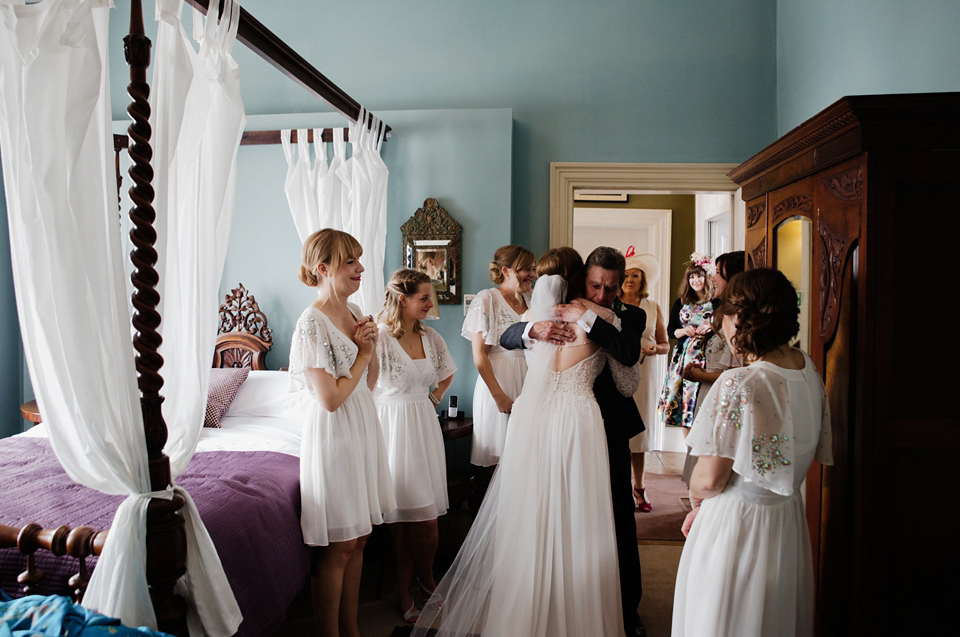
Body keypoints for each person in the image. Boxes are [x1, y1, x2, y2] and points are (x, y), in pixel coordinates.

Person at [413, 271, 639, 637]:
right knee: (576, 517)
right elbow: (627, 384)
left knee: (534, 513)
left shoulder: (534, 318)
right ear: (583, 285)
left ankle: (530, 611)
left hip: (535, 420)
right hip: (578, 420)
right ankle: (574, 612)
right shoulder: (589, 321)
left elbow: (505, 340)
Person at [672, 268, 834, 637]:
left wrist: (697, 501)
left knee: (724, 619)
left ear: (738, 318)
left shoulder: (740, 381)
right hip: (785, 522)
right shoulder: (808, 368)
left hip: (736, 527)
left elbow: (709, 478)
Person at [500, 246, 647, 637]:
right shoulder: (546, 313)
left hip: (604, 430)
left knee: (613, 519)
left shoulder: (627, 316)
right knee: (546, 512)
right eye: (595, 285)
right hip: (551, 424)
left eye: (611, 289)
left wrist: (589, 316)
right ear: (583, 279)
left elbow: (629, 362)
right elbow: (508, 335)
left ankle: (625, 609)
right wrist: (535, 328)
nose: (602, 295)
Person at [288, 228, 396, 637]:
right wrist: (365, 352)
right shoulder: (311, 321)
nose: (360, 268)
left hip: (362, 425)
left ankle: (351, 631)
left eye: (358, 261)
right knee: (340, 545)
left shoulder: (354, 313)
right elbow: (330, 398)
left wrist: (372, 348)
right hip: (334, 432)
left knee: (361, 537)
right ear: (323, 268)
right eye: (351, 262)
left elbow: (367, 384)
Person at [373, 269, 456, 624]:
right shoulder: (378, 339)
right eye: (424, 297)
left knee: (425, 521)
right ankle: (407, 588)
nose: (430, 303)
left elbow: (447, 371)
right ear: (403, 299)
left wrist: (434, 397)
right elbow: (365, 383)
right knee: (403, 521)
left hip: (422, 424)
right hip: (391, 427)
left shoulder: (432, 337)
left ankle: (424, 578)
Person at [461, 245, 536, 469]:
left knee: (527, 456)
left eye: (533, 269)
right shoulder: (487, 299)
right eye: (526, 269)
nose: (532, 274)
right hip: (499, 382)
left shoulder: (533, 300)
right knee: (500, 456)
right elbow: (480, 354)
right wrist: (499, 396)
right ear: (506, 271)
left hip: (530, 380)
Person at [680, 251, 749, 485]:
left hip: (721, 395)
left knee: (713, 473)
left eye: (718, 273)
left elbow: (737, 372)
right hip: (709, 393)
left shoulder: (736, 318)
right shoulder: (721, 311)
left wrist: (700, 375)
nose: (713, 278)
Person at [619, 248, 669, 513]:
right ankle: (618, 487)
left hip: (645, 373)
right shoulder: (612, 304)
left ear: (643, 280)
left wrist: (653, 350)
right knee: (617, 433)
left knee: (639, 435)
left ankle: (639, 486)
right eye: (625, 275)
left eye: (635, 275)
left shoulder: (652, 307)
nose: (629, 279)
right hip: (617, 371)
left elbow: (665, 345)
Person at [658, 253, 715, 431]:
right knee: (684, 407)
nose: (695, 280)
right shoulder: (681, 302)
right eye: (691, 276)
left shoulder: (717, 302)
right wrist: (683, 331)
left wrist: (712, 327)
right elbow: (670, 330)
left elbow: (724, 328)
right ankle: (688, 454)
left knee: (700, 401)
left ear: (707, 277)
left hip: (706, 357)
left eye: (699, 275)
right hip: (683, 359)